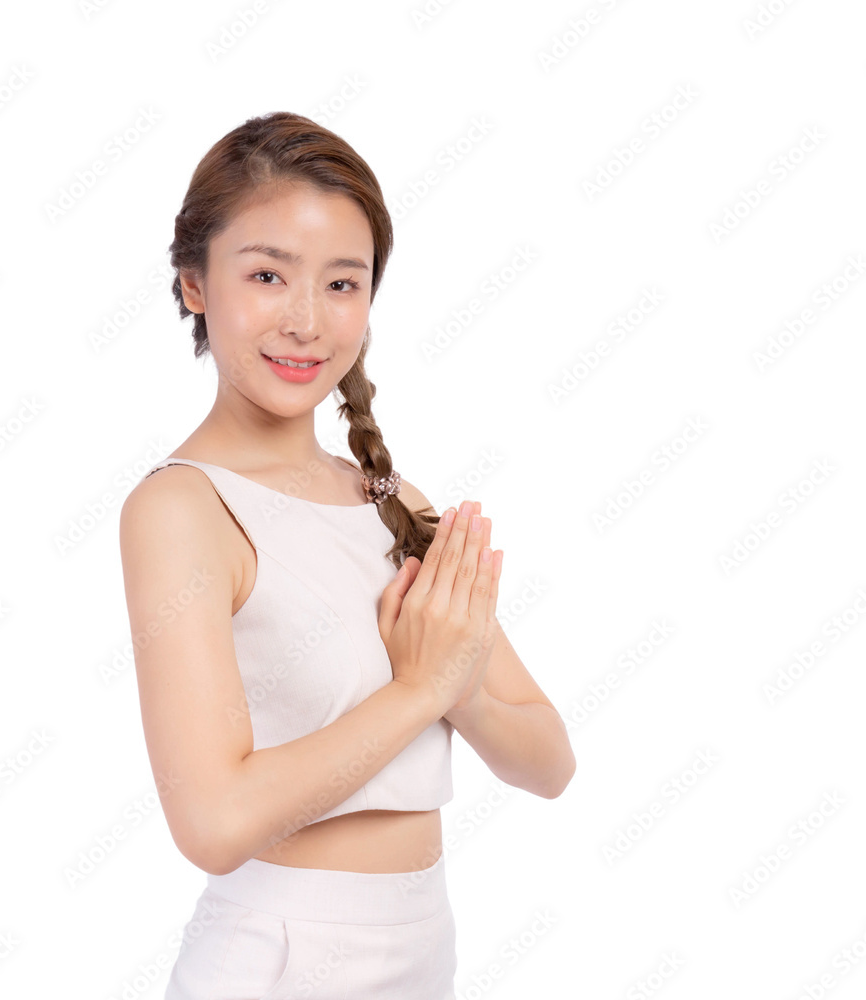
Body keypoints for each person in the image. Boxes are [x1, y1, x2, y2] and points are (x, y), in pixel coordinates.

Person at [119, 111, 576, 1000]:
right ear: (195, 284)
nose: (306, 321)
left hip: (424, 950)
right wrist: (420, 690)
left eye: (341, 283)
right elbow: (212, 823)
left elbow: (549, 763)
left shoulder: (394, 499)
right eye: (266, 275)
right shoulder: (182, 508)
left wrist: (459, 685)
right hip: (278, 959)